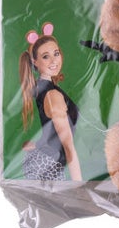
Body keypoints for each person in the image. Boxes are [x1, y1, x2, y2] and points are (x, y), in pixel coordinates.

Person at [19, 23, 82, 181]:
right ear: (35, 62)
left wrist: (37, 146)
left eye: (56, 53)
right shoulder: (53, 94)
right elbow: (68, 146)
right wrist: (79, 186)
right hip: (47, 165)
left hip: (43, 161)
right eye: (46, 56)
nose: (54, 60)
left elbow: (51, 130)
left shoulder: (41, 87)